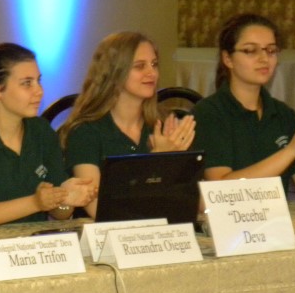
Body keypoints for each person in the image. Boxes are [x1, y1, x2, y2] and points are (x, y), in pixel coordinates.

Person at [0, 43, 97, 227]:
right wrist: (35, 203)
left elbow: (60, 214)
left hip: (34, 240)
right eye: (27, 83)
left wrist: (65, 199)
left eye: (38, 81)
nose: (39, 91)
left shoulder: (41, 131)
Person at [60, 32, 197, 218]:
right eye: (140, 66)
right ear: (115, 73)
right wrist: (157, 161)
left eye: (154, 64)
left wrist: (178, 163)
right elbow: (100, 210)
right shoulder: (86, 132)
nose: (152, 73)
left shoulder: (162, 126)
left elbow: (188, 203)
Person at [191, 13, 295, 199]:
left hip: (275, 215)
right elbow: (220, 189)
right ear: (227, 58)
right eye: (250, 51)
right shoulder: (209, 113)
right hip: (231, 215)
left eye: (271, 50)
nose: (264, 58)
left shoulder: (283, 114)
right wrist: (290, 152)